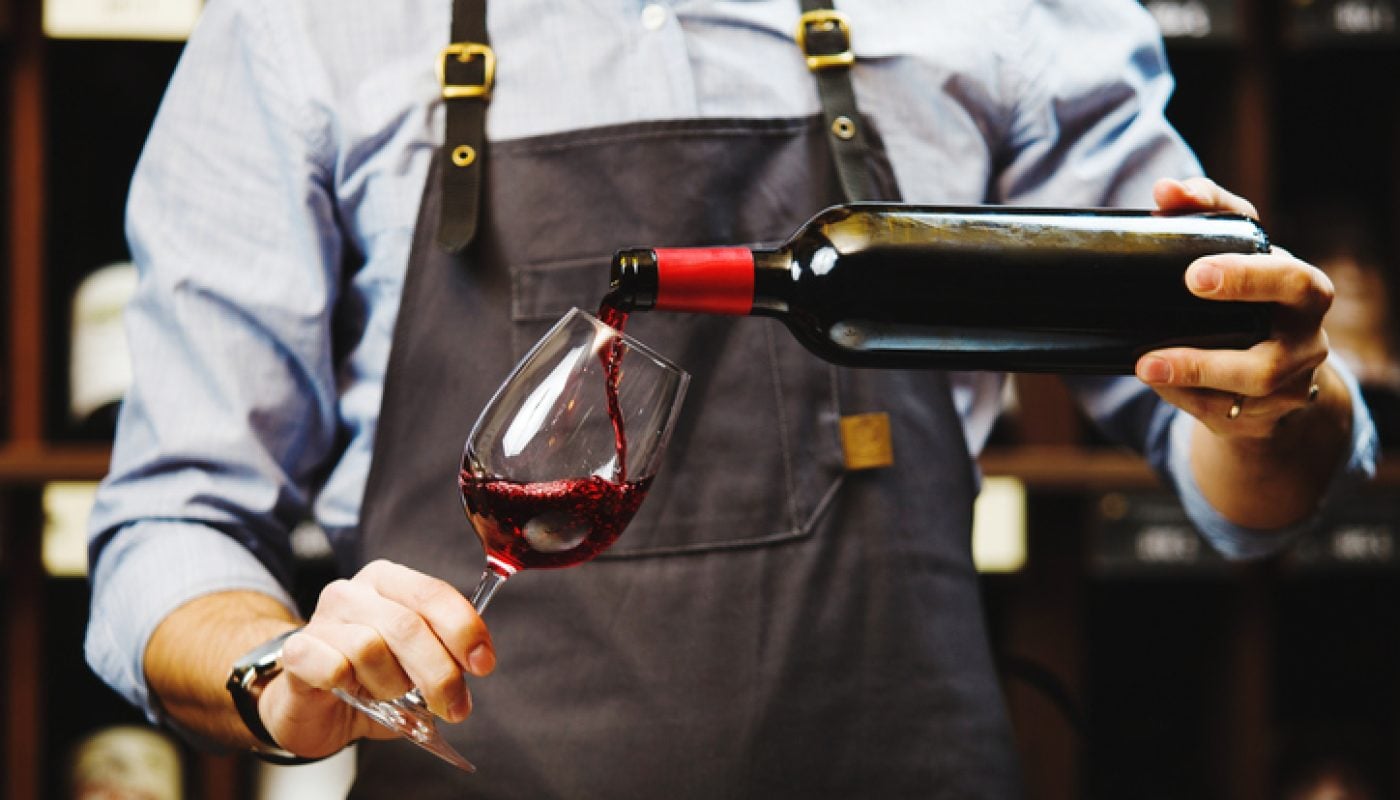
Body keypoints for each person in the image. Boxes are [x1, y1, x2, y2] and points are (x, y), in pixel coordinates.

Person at [85, 1, 1378, 797]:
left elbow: (1253, 484)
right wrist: (276, 674)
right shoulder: (299, 26)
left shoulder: (1003, 12)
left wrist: (1276, 399)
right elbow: (170, 524)